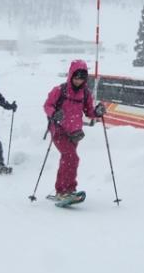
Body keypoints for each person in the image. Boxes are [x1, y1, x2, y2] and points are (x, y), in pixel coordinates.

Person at [43, 60, 106, 199]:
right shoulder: (60, 90)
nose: (78, 81)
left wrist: (97, 112)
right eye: (76, 77)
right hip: (58, 130)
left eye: (82, 78)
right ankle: (64, 191)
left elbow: (89, 112)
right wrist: (54, 113)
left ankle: (65, 189)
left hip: (74, 133)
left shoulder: (85, 94)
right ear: (71, 75)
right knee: (71, 157)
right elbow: (47, 105)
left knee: (68, 159)